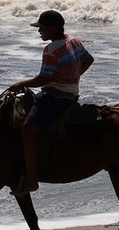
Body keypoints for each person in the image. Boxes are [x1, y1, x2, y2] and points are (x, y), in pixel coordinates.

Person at [9, 10, 94, 195]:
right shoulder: (74, 41)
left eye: (42, 28)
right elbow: (89, 60)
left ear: (52, 28)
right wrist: (72, 78)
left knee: (28, 128)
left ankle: (31, 179)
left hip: (57, 97)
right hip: (71, 94)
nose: (39, 32)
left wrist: (20, 84)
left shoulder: (51, 50)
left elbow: (41, 80)